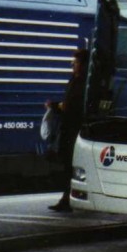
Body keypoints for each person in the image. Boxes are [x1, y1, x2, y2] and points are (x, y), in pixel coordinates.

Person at [48, 48, 89, 212]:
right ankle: (66, 198)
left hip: (74, 131)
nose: (73, 64)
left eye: (76, 62)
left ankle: (68, 199)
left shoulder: (83, 82)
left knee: (71, 166)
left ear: (83, 64)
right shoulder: (74, 79)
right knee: (67, 165)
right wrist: (56, 106)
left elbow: (74, 106)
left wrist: (58, 106)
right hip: (67, 130)